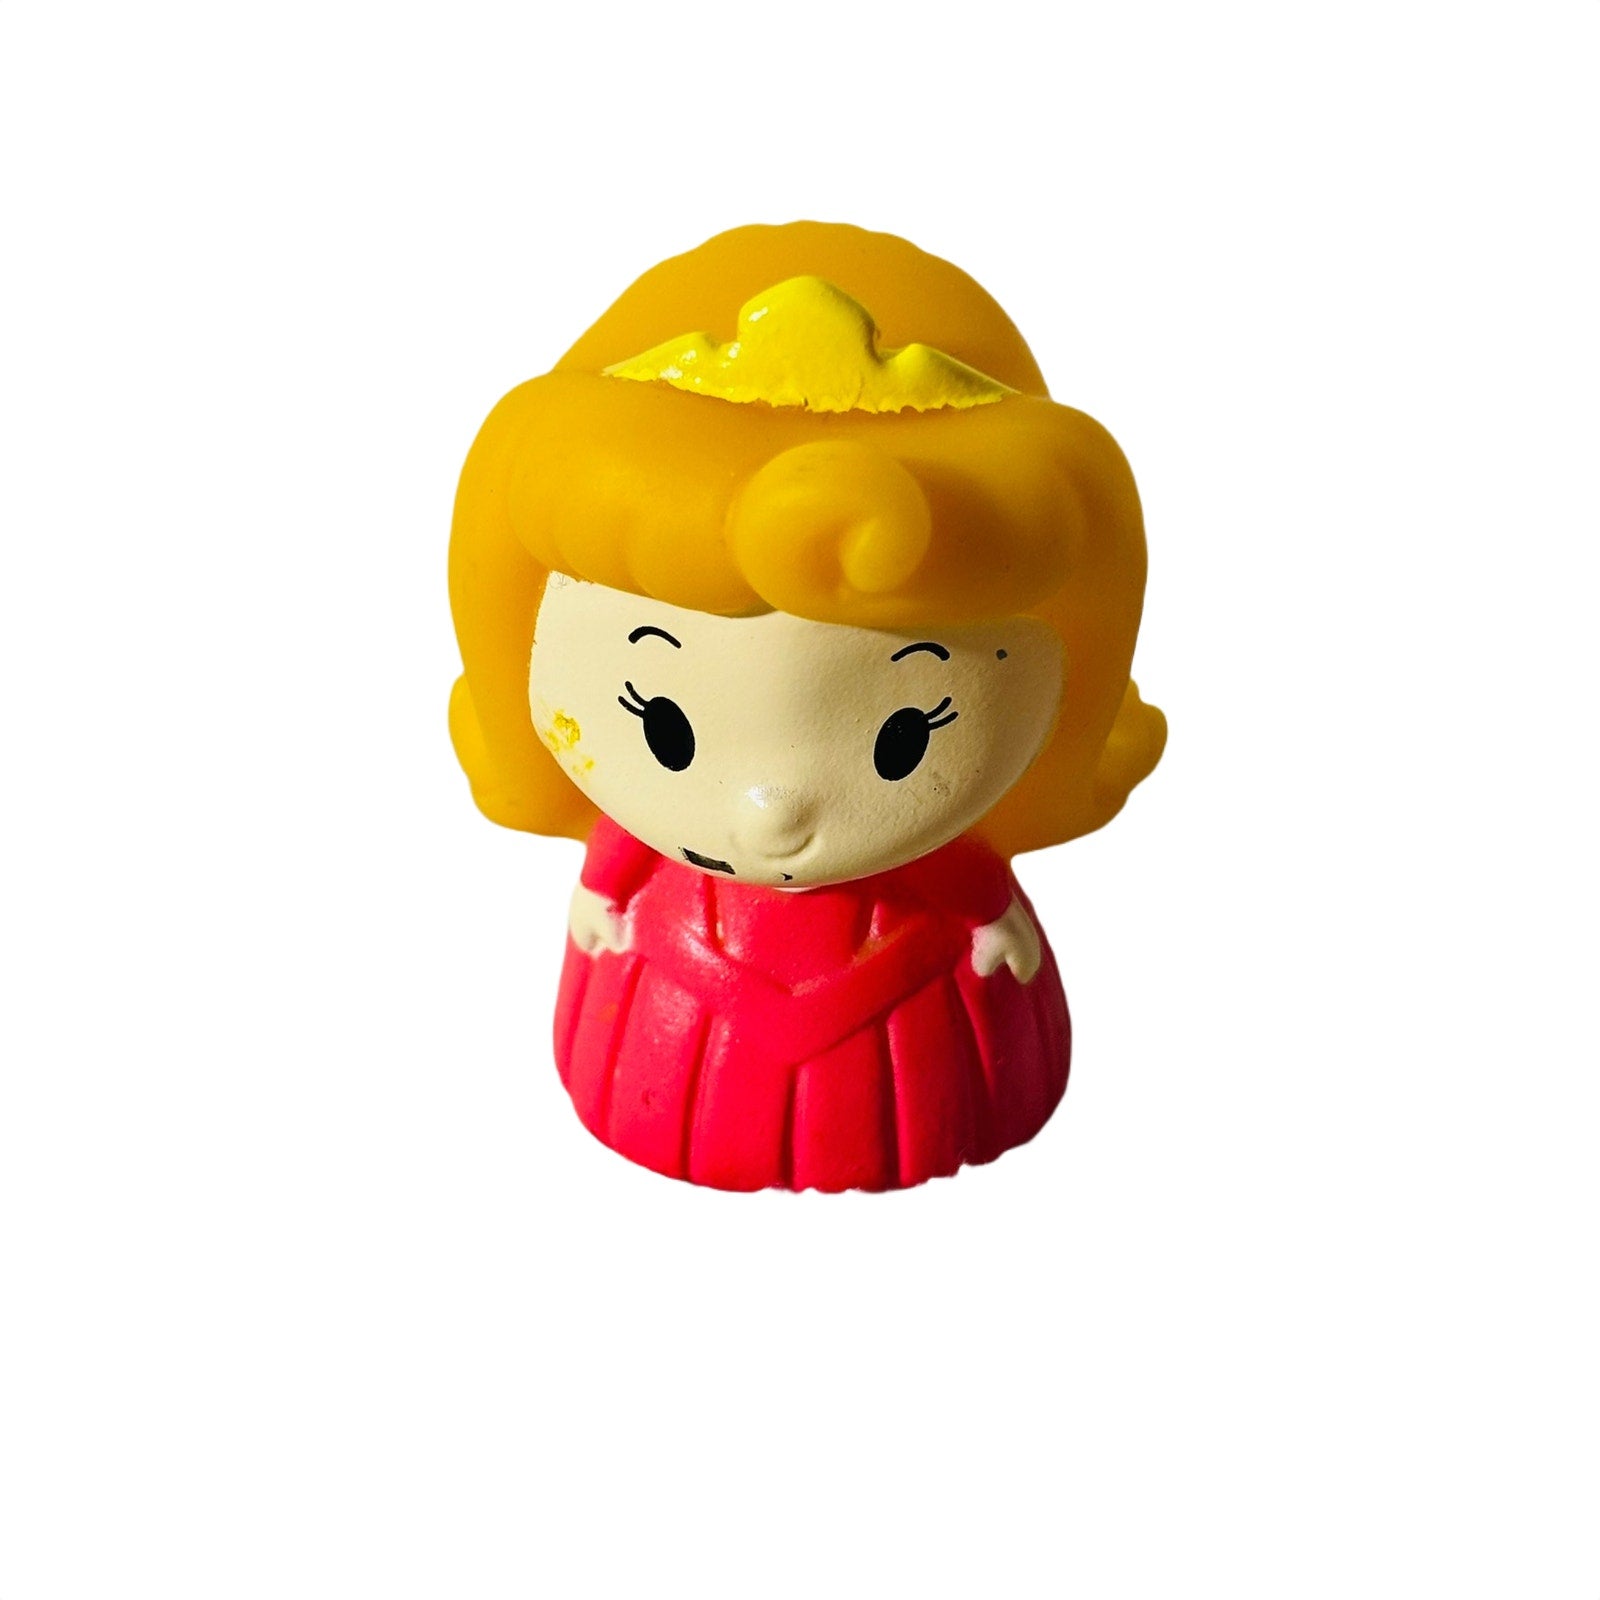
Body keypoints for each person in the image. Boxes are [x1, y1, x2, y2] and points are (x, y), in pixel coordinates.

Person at [448, 222, 1164, 1191]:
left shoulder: (950, 839)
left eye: (904, 735)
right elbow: (614, 856)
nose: (771, 812)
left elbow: (967, 875)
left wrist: (990, 913)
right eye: (664, 725)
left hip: (923, 1025)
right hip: (664, 1017)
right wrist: (601, 886)